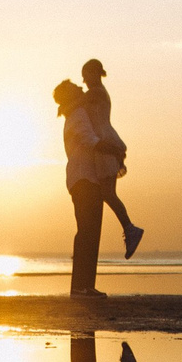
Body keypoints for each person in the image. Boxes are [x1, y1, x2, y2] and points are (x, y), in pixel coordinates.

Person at [79, 59, 143, 261]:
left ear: (94, 73)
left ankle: (130, 228)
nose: (84, 80)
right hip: (102, 143)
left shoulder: (97, 92)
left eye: (86, 75)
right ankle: (128, 228)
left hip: (105, 142)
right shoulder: (98, 92)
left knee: (107, 192)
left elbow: (77, 102)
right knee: (104, 192)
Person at [55, 81, 110, 298]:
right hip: (83, 178)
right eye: (75, 87)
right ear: (69, 95)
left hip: (86, 178)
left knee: (90, 231)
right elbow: (90, 140)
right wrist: (114, 148)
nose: (80, 87)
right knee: (87, 231)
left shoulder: (77, 112)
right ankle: (80, 287)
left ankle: (85, 286)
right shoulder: (77, 114)